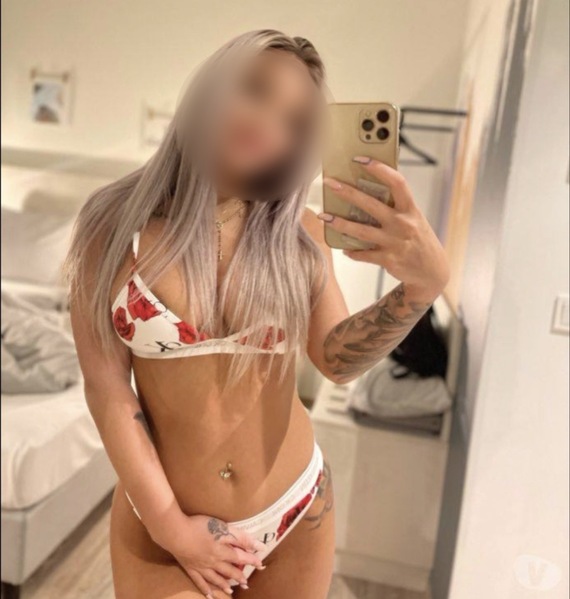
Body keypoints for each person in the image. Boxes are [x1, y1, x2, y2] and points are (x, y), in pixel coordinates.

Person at [65, 29, 449, 599]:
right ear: (213, 87)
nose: (269, 122)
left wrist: (421, 287)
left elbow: (337, 361)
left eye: (295, 121)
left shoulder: (300, 237)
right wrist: (173, 529)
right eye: (256, 90)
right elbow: (108, 392)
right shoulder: (112, 228)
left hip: (295, 511)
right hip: (166, 523)